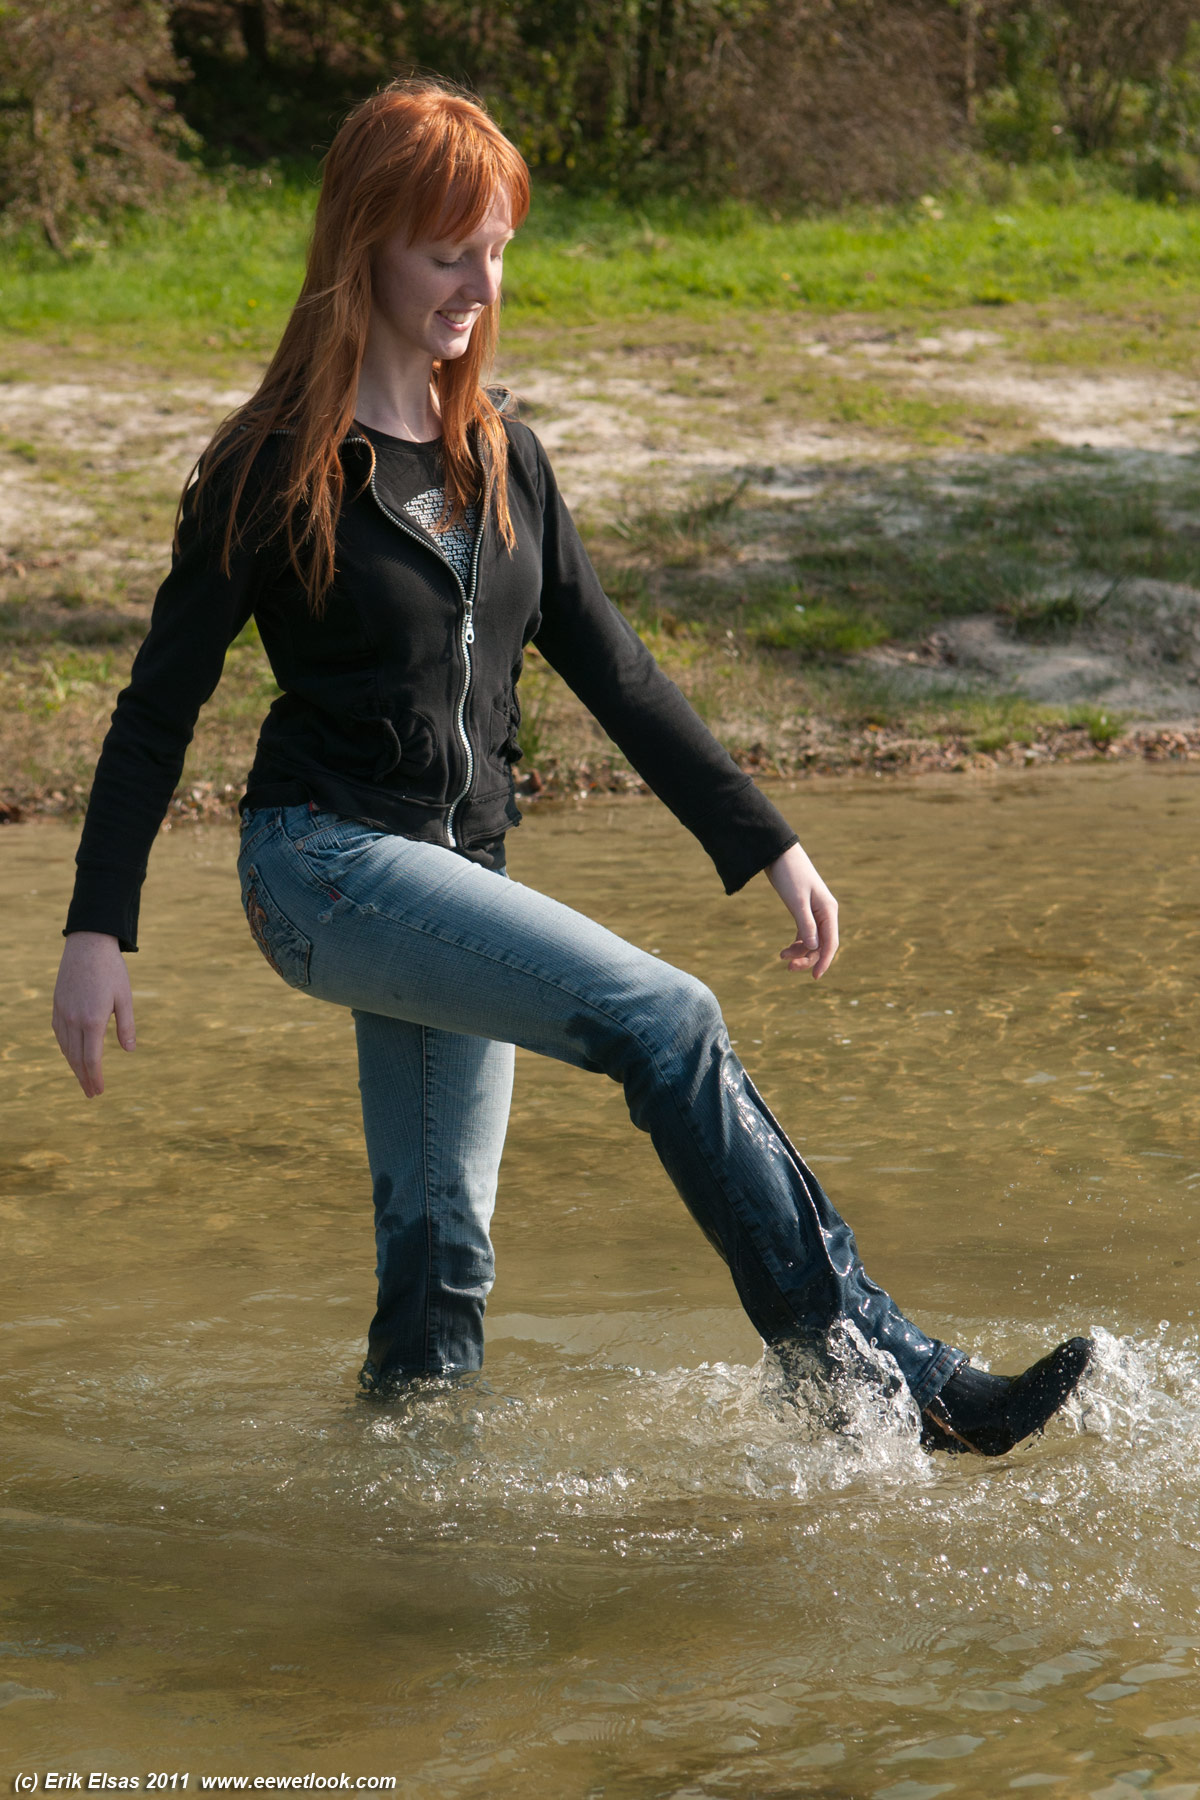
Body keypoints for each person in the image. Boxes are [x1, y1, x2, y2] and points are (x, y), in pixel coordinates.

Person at [51, 78, 1090, 1457]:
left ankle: (403, 1514)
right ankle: (880, 1374)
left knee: (441, 1264)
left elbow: (617, 671)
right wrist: (97, 929)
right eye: (448, 253)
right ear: (364, 246)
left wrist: (767, 843)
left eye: (497, 251)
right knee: (668, 1019)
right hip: (324, 869)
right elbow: (152, 712)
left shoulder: (503, 458)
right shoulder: (273, 468)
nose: (480, 286)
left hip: (460, 878)